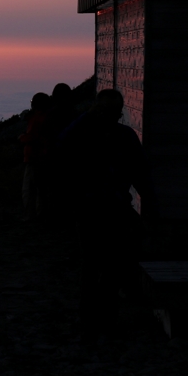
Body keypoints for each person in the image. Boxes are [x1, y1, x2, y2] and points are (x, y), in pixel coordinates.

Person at [60, 89, 150, 338]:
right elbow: (142, 174)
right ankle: (105, 320)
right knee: (110, 265)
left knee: (93, 264)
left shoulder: (84, 134)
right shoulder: (125, 136)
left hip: (91, 208)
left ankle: (90, 320)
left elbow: (62, 146)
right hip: (111, 209)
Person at [42, 82, 78, 219]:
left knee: (54, 187)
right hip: (71, 156)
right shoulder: (74, 113)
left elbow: (47, 134)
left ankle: (55, 216)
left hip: (53, 155)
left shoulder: (51, 114)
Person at [19, 92, 51, 221]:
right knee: (41, 189)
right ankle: (41, 214)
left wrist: (21, 138)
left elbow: (31, 137)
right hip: (45, 156)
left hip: (33, 157)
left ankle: (30, 215)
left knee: (29, 188)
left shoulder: (36, 119)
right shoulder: (48, 117)